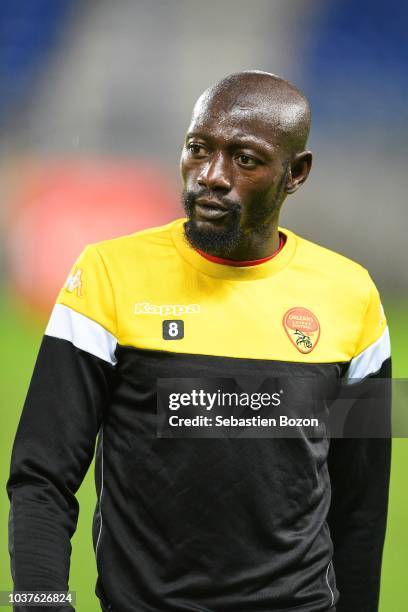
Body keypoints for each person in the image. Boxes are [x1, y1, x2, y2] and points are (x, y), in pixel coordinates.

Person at [7, 71, 391, 612]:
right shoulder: (106, 275)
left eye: (246, 159)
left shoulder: (354, 296)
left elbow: (362, 504)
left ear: (295, 173)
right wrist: (41, 600)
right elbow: (41, 474)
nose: (211, 176)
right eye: (198, 149)